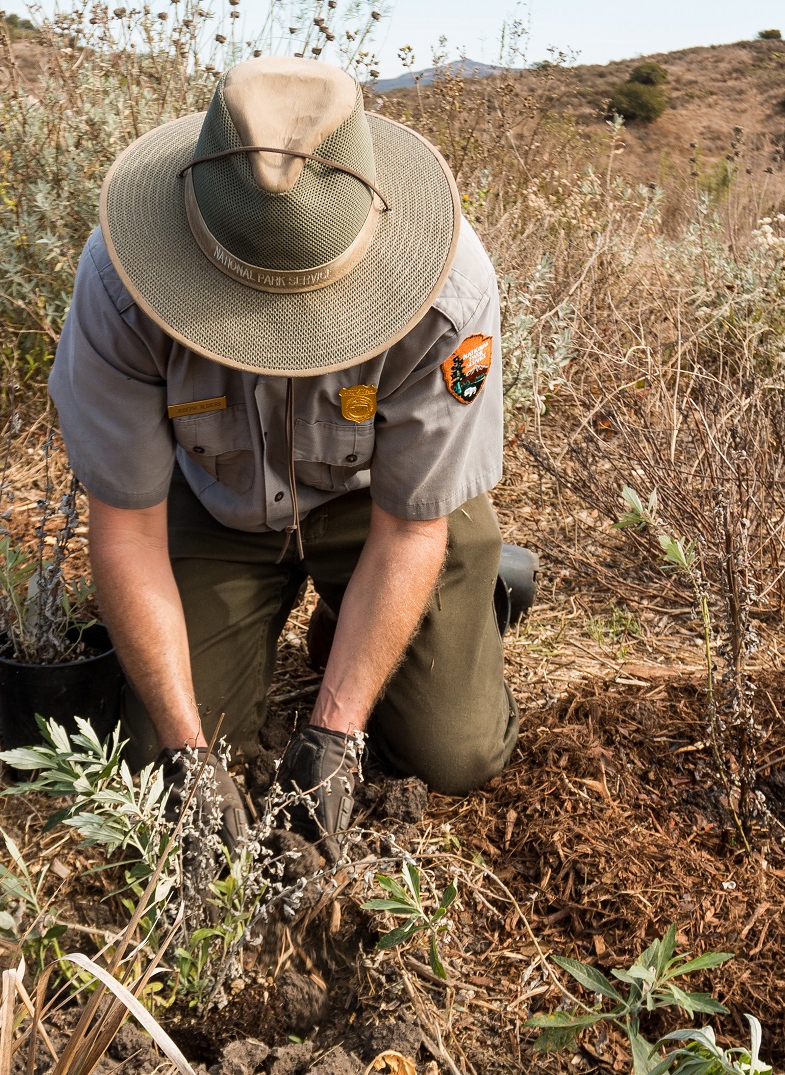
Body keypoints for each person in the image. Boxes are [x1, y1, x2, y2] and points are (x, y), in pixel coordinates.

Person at [49, 55, 518, 852]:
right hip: (217, 508)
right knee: (150, 753)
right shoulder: (120, 285)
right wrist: (188, 752)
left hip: (381, 508)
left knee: (455, 752)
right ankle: (307, 639)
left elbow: (409, 530)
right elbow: (126, 529)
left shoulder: (450, 296)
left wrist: (336, 735)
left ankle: (451, 601)